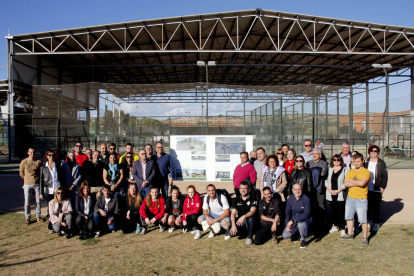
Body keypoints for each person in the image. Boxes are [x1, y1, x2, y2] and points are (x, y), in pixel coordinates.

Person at [343, 153, 371, 245]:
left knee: (363, 219)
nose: (356, 163)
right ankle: (350, 234)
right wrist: (356, 182)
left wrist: (351, 181)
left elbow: (362, 183)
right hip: (350, 198)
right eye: (355, 161)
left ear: (362, 161)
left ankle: (364, 237)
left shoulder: (366, 172)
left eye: (358, 161)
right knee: (349, 217)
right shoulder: (350, 172)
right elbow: (346, 184)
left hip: (361, 198)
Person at [306, 148, 328, 238]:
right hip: (311, 189)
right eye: (313, 153)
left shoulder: (324, 163)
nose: (314, 155)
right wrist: (318, 170)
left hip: (320, 189)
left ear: (320, 155)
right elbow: (307, 174)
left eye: (316, 153)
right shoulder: (308, 163)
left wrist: (313, 172)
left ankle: (322, 226)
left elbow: (323, 174)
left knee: (321, 206)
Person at [365, 145, 388, 232]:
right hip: (367, 188)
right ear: (369, 152)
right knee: (368, 205)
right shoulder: (366, 161)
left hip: (377, 188)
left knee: (376, 206)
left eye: (375, 151)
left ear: (378, 152)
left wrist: (382, 187)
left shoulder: (381, 163)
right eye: (372, 151)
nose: (373, 152)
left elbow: (385, 176)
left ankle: (376, 223)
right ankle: (369, 220)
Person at [325, 154, 348, 237]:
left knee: (341, 212)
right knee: (334, 211)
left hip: (340, 194)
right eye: (334, 160)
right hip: (331, 194)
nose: (336, 161)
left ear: (341, 161)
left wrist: (339, 190)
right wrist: (330, 190)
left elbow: (346, 182)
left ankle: (342, 228)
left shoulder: (345, 170)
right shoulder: (330, 169)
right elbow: (326, 181)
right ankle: (335, 225)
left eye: (338, 160)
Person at [282, 184, 312, 249]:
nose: (297, 191)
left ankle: (303, 239)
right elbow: (287, 213)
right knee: (285, 235)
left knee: (301, 225)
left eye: (299, 189)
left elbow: (306, 214)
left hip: (304, 220)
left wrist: (293, 220)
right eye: (295, 189)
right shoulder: (290, 199)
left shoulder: (306, 199)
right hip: (294, 220)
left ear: (302, 190)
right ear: (292, 190)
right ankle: (297, 234)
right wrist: (287, 225)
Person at [19, 147, 43, 224]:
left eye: (34, 152)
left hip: (37, 184)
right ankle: (28, 217)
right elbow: (21, 172)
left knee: (38, 201)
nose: (32, 154)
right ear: (28, 152)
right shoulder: (24, 162)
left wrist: (38, 180)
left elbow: (41, 172)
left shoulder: (38, 161)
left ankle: (38, 216)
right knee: (27, 202)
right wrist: (26, 179)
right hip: (27, 184)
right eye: (31, 152)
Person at [40, 150, 65, 217]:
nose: (51, 157)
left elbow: (61, 177)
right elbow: (41, 180)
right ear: (47, 156)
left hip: (57, 187)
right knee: (49, 203)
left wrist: (63, 187)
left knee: (58, 202)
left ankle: (58, 214)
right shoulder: (43, 167)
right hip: (48, 189)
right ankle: (50, 215)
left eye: (53, 155)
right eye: (49, 155)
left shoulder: (58, 165)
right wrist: (41, 193)